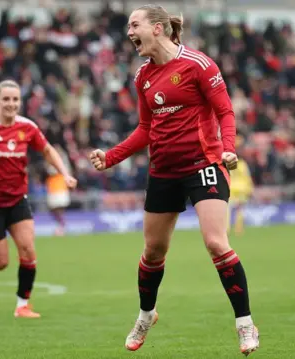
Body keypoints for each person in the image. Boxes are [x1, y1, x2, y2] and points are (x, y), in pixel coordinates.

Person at [89, 5, 259, 356]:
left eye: (134, 25)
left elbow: (226, 111)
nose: (129, 32)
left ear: (158, 28)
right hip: (163, 171)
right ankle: (146, 315)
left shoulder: (198, 64)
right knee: (153, 252)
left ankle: (245, 324)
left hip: (204, 165)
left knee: (216, 243)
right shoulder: (142, 77)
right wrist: (111, 156)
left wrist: (228, 149)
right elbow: (145, 129)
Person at [0, 79, 77, 318]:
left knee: (28, 250)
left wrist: (65, 173)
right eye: (6, 99)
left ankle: (22, 305)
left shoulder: (27, 127)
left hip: (17, 200)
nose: (11, 104)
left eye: (15, 99)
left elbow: (48, 150)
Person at [45, 144, 72, 236]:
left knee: (59, 208)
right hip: (52, 187)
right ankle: (61, 225)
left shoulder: (63, 162)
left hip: (60, 187)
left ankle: (62, 226)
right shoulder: (49, 160)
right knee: (52, 208)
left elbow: (56, 172)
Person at [228, 152, 253, 235]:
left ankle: (226, 229)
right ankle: (238, 230)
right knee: (240, 209)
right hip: (242, 189)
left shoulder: (228, 163)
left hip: (231, 188)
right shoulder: (243, 164)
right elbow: (247, 177)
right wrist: (250, 189)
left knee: (228, 210)